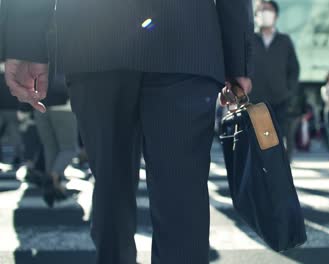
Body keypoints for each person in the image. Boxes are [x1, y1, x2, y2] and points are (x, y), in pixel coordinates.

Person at [1, 1, 254, 264]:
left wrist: (26, 39)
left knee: (111, 186)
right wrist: (238, 57)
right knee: (181, 195)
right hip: (185, 35)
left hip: (95, 34)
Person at [249, 0, 300, 158]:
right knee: (258, 143)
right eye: (261, 10)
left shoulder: (285, 41)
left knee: (279, 142)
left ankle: (280, 175)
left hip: (280, 101)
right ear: (256, 16)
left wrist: (288, 91)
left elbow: (294, 69)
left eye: (268, 10)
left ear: (276, 16)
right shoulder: (249, 39)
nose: (265, 13)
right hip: (255, 101)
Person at [35, 72, 78, 207]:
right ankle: (53, 176)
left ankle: (53, 187)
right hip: (63, 104)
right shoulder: (70, 52)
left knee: (50, 148)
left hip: (40, 103)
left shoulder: (38, 53)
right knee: (69, 148)